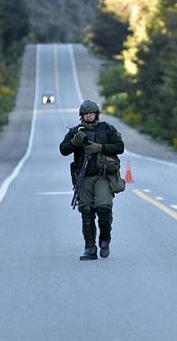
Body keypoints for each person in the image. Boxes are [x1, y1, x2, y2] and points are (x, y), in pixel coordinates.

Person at [60, 100, 125, 260]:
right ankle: (90, 248)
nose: (89, 115)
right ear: (81, 116)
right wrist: (74, 142)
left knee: (103, 208)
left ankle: (104, 239)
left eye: (91, 113)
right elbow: (63, 150)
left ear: (96, 114)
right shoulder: (76, 132)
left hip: (103, 176)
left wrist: (100, 148)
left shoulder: (108, 129)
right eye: (85, 113)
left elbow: (120, 147)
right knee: (87, 212)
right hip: (84, 177)